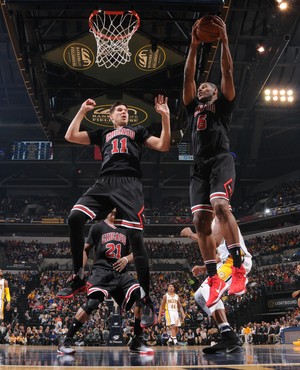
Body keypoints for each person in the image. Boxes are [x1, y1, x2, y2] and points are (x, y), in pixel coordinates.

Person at [57, 95, 171, 328]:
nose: (124, 112)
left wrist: (166, 118)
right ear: (110, 116)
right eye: (119, 110)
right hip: (105, 182)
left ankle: (146, 298)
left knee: (137, 240)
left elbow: (163, 145)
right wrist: (81, 111)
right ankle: (79, 277)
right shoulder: (102, 133)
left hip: (129, 185)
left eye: (126, 110)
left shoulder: (137, 130)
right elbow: (70, 136)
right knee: (75, 217)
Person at [182, 15, 246, 308]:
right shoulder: (192, 109)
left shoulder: (222, 107)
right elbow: (188, 78)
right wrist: (194, 46)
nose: (202, 87)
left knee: (221, 206)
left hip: (221, 159)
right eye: (201, 87)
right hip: (198, 167)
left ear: (216, 93)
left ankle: (237, 264)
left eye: (208, 86)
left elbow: (228, 71)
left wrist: (224, 42)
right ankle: (213, 276)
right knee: (199, 221)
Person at [58, 210, 154, 355]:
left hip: (121, 274)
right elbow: (85, 250)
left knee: (140, 295)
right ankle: (66, 339)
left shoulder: (127, 228)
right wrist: (80, 270)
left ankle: (137, 340)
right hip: (101, 272)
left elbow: (138, 251)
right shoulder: (97, 227)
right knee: (92, 303)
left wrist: (127, 259)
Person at [181, 216, 252, 354]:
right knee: (199, 295)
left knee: (209, 288)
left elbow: (212, 242)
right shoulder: (213, 221)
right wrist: (203, 267)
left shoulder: (220, 216)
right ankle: (224, 328)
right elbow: (221, 253)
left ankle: (228, 335)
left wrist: (190, 234)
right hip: (225, 261)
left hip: (235, 262)